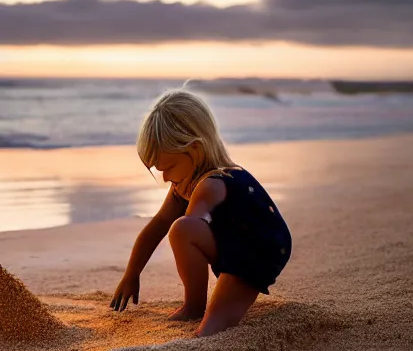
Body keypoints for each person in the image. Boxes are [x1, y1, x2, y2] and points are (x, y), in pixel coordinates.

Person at [110, 89, 292, 337]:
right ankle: (194, 306)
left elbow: (191, 224)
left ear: (195, 149)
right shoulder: (184, 183)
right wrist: (131, 274)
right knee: (179, 228)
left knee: (211, 329)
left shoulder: (211, 183)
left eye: (169, 167)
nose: (165, 178)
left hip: (259, 248)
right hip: (231, 242)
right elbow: (157, 227)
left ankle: (208, 311)